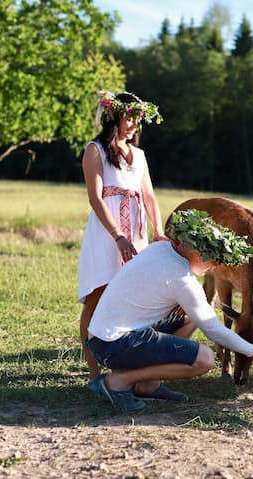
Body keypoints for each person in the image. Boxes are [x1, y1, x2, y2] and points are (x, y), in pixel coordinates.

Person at [86, 209, 253, 412]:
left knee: (189, 317)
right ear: (198, 254)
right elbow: (214, 329)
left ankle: (148, 384)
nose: (214, 267)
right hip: (114, 344)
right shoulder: (182, 280)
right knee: (204, 359)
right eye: (213, 260)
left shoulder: (160, 248)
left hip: (102, 335)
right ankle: (118, 382)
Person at [78, 90, 167, 392]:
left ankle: (130, 369)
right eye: (130, 117)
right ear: (115, 115)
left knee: (133, 298)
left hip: (136, 233)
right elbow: (95, 197)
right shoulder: (96, 150)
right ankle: (93, 375)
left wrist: (158, 230)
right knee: (97, 296)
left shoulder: (139, 156)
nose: (134, 124)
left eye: (138, 118)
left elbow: (149, 196)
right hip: (107, 233)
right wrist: (117, 235)